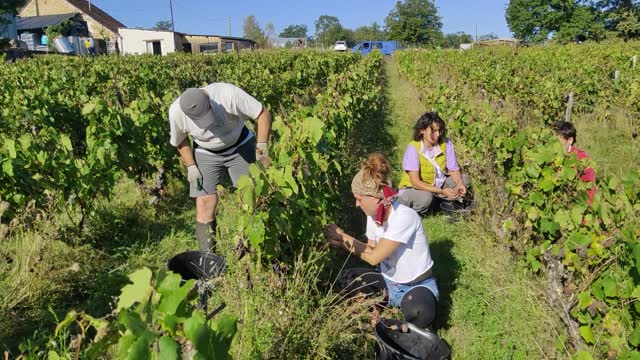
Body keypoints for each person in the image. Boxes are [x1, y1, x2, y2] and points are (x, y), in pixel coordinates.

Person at [325, 153, 438, 329]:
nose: (356, 204)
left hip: (415, 285)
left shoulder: (404, 217)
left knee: (420, 311)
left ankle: (387, 317)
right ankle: (381, 313)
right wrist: (341, 243)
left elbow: (374, 257)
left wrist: (343, 237)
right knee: (345, 278)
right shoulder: (373, 216)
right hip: (388, 281)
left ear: (375, 198)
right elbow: (370, 249)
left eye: (359, 199)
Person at [169, 83, 272, 252]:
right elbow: (179, 139)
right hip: (206, 151)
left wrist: (262, 147)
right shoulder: (176, 112)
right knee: (204, 204)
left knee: (251, 198)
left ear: (209, 101)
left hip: (241, 145)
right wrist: (191, 166)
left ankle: (252, 249)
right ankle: (209, 261)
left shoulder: (227, 94)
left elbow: (262, 113)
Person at [397, 112, 470, 215]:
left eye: (439, 130)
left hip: (439, 185)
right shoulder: (413, 148)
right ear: (422, 130)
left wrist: (460, 184)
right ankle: (414, 209)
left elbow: (453, 169)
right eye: (434, 131)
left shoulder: (446, 143)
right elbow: (415, 182)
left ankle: (438, 203)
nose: (438, 134)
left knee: (464, 179)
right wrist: (441, 191)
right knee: (426, 197)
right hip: (416, 189)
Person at [552, 121, 596, 204]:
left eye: (557, 141)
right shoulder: (551, 155)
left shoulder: (582, 158)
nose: (553, 144)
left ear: (570, 140)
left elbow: (590, 189)